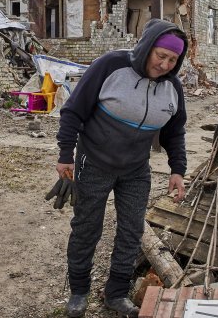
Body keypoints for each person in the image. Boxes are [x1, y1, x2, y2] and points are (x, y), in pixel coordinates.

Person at [55, 18, 188, 317]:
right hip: (94, 163)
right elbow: (73, 111)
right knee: (87, 228)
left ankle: (116, 293)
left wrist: (177, 169)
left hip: (136, 170)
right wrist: (66, 154)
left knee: (131, 231)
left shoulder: (172, 89)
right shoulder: (112, 65)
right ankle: (78, 292)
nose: (165, 64)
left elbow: (175, 131)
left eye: (173, 59)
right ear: (147, 48)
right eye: (160, 55)